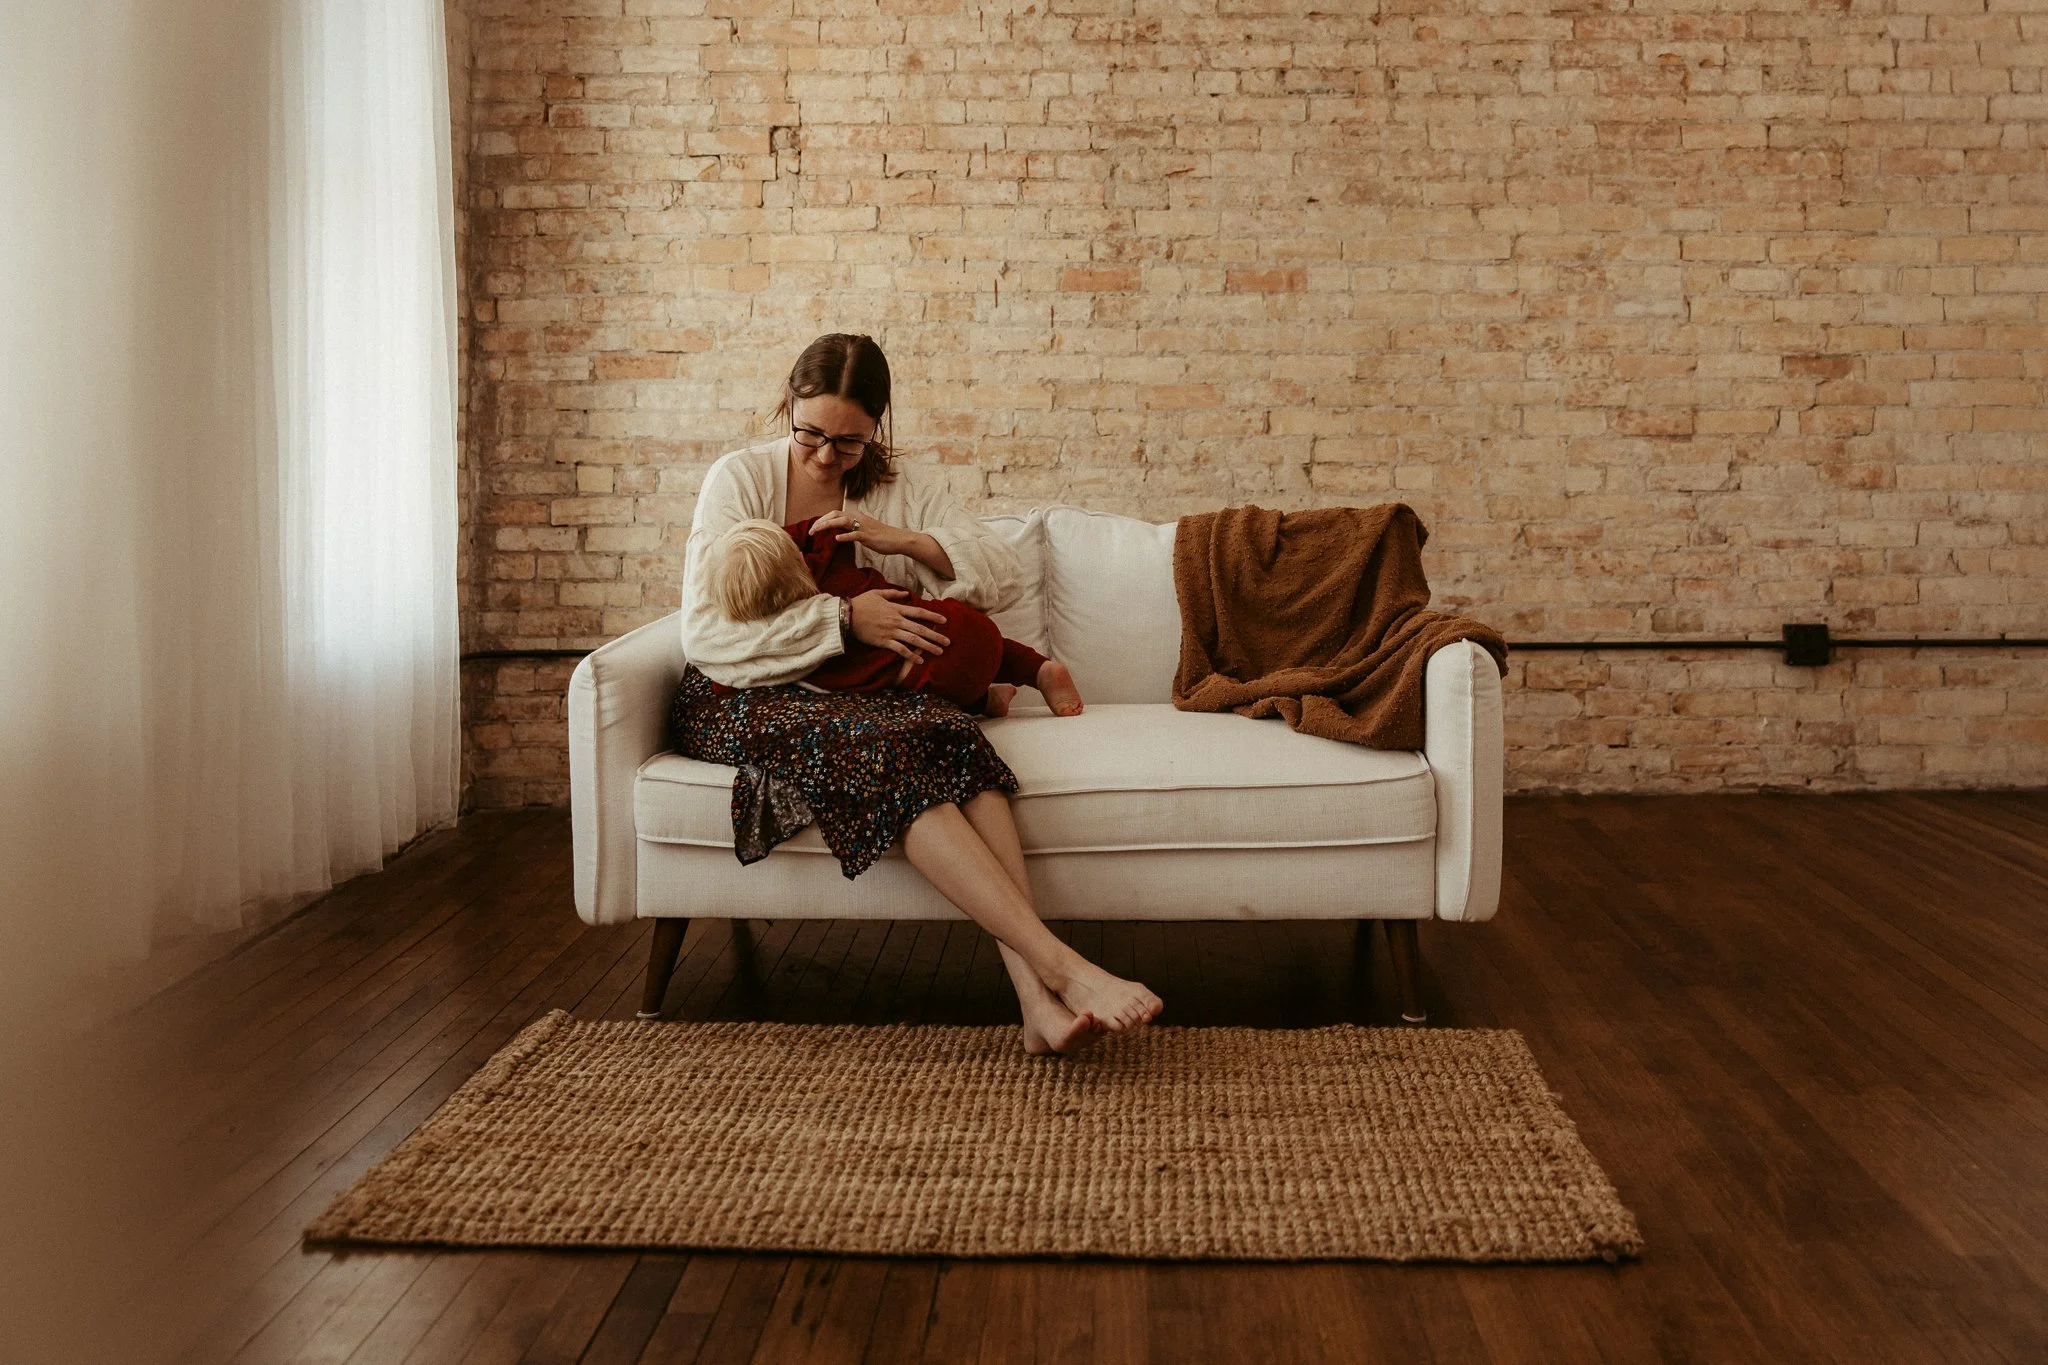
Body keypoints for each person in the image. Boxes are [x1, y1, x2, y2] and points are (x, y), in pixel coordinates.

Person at [671, 332, 1162, 1054]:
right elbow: (705, 632)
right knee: (884, 751)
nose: (825, 457)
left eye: (849, 441)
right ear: (789, 408)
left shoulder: (901, 486)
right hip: (743, 691)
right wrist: (842, 619)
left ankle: (1036, 1006)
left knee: (955, 738)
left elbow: (999, 575)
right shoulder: (738, 480)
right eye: (810, 433)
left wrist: (899, 541)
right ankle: (1061, 968)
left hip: (865, 687)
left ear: (877, 428)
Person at [700, 514, 1074, 716]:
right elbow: (825, 530)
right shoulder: (825, 567)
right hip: (958, 626)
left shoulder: (793, 655)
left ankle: (988, 700)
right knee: (992, 649)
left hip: (934, 682)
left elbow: (732, 679)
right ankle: (1040, 670)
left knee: (924, 692)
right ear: (797, 557)